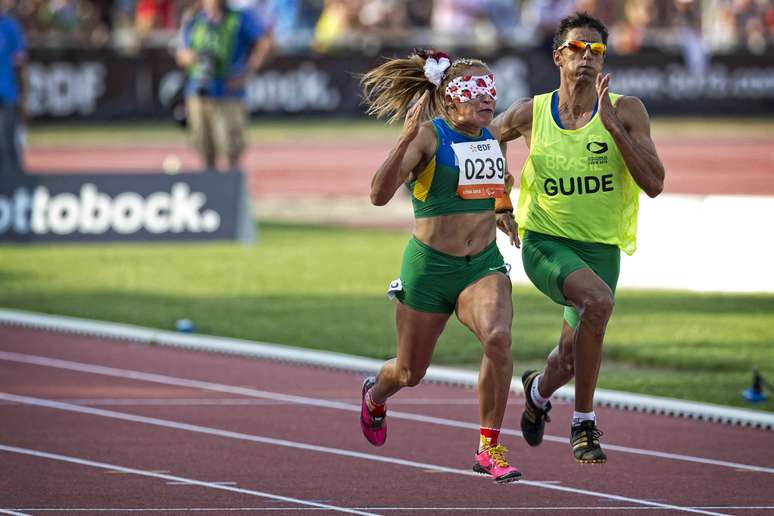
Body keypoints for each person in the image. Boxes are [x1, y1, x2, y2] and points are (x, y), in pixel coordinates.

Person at [493, 12, 665, 463]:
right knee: (599, 303)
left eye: (596, 50)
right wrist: (499, 201)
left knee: (569, 358)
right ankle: (583, 422)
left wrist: (611, 128)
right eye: (577, 48)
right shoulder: (532, 112)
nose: (587, 57)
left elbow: (655, 183)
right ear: (558, 56)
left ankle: (537, 392)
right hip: (545, 241)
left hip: (600, 248)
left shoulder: (627, 111)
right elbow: (484, 141)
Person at [358, 49, 522, 483]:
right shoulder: (429, 136)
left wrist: (503, 207)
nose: (486, 99)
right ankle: (376, 394)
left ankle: (489, 446)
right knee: (410, 373)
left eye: (490, 89)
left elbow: (496, 182)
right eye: (474, 91)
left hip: (481, 266)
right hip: (429, 271)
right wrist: (402, 139)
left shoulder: (492, 135)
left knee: (499, 338)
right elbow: (377, 194)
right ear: (449, 100)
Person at [176, 0, 272, 171]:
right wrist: (190, 58)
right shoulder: (194, 19)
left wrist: (247, 73)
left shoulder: (238, 18)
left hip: (229, 93)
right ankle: (209, 187)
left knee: (232, 148)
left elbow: (264, 42)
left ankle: (231, 188)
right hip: (199, 92)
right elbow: (181, 53)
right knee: (203, 147)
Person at [0, 0, 26, 177]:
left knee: (9, 134)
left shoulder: (10, 26)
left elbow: (20, 61)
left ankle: (15, 177)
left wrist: (23, 91)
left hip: (6, 89)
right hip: (8, 88)